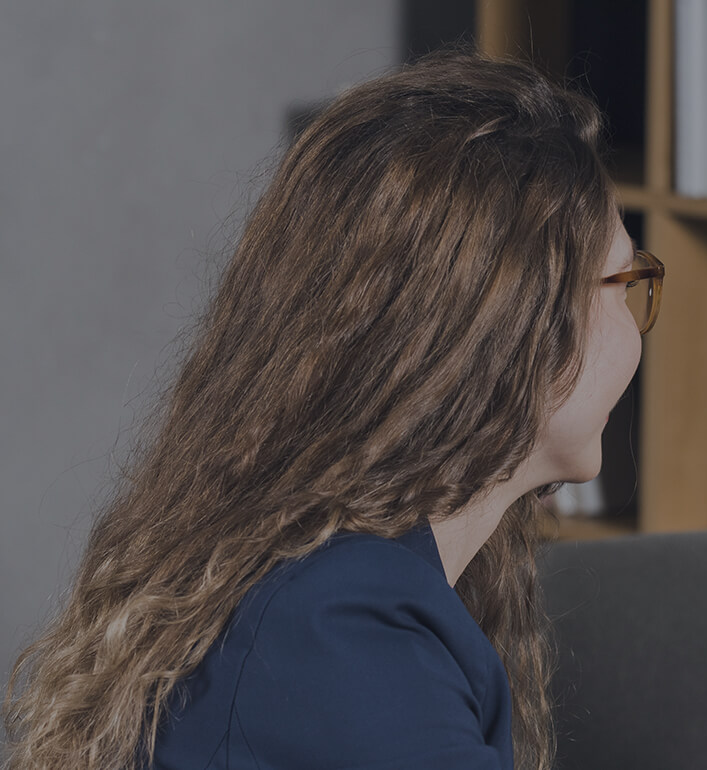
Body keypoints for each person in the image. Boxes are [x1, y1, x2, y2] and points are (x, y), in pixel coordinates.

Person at [2, 51, 663, 770]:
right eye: (624, 281)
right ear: (512, 327)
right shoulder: (342, 635)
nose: (637, 328)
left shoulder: (333, 581)